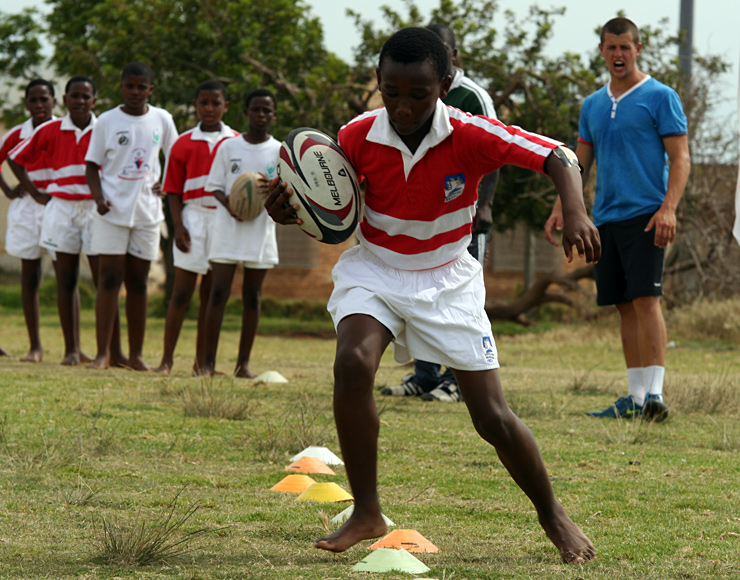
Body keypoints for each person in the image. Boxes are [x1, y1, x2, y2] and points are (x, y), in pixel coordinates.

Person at [266, 27, 599, 563]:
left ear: (444, 84)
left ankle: (552, 513)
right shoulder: (354, 136)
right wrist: (288, 208)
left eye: (418, 94)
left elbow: (558, 154)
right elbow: (325, 201)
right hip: (374, 269)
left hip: (447, 277)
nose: (402, 107)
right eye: (390, 92)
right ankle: (367, 510)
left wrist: (576, 210)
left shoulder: (470, 132)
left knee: (491, 417)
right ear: (378, 84)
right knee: (352, 361)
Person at [545, 17, 690, 422]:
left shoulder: (660, 96)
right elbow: (577, 165)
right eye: (611, 47)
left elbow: (681, 158)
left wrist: (669, 208)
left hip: (647, 215)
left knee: (646, 300)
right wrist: (562, 207)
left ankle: (656, 395)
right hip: (605, 217)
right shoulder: (592, 104)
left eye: (625, 47)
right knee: (623, 305)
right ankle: (635, 397)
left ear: (638, 49)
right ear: (602, 51)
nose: (618, 54)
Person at [382, 22, 500, 402]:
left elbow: (495, 150)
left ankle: (457, 377)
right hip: (419, 219)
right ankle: (426, 375)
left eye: (445, 51)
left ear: (454, 57)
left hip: (461, 217)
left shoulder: (471, 97)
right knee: (417, 293)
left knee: (460, 295)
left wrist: (486, 204)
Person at [9, 76, 127, 367]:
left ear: (94, 101)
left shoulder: (106, 128)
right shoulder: (51, 129)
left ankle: (111, 351)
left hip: (96, 208)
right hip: (61, 208)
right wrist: (35, 192)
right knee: (67, 278)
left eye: (86, 97)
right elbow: (16, 157)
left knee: (105, 280)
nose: (79, 101)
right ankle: (71, 350)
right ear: (64, 100)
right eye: (74, 96)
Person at [85, 62, 178, 370]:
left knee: (138, 282)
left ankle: (136, 356)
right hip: (110, 211)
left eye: (142, 87)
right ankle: (103, 354)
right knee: (109, 280)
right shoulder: (107, 121)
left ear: (151, 90)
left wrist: (166, 184)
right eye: (130, 86)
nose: (136, 92)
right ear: (121, 87)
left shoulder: (162, 118)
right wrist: (99, 199)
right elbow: (91, 166)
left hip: (147, 213)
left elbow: (175, 158)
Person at [154, 80, 239, 374]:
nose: (210, 109)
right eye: (203, 103)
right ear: (195, 106)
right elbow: (173, 190)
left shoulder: (236, 142)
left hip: (224, 221)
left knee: (212, 295)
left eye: (216, 103)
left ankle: (203, 363)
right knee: (181, 293)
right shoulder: (183, 143)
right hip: (192, 218)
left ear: (225, 107)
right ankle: (166, 360)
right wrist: (178, 226)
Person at [198, 88, 280, 378]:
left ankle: (242, 364)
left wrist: (272, 190)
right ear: (245, 113)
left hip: (260, 230)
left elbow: (285, 193)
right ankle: (207, 364)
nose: (260, 115)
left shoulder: (279, 151)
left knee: (252, 297)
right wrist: (232, 206)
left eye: (266, 110)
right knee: (217, 293)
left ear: (273, 115)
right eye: (255, 109)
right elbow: (216, 186)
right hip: (228, 228)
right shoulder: (228, 147)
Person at [0, 79, 56, 362]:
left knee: (65, 276)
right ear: (26, 104)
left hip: (58, 204)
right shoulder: (15, 134)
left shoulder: (63, 130)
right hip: (28, 208)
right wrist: (10, 190)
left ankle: (74, 347)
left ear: (54, 102)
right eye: (33, 101)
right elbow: (5, 159)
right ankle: (35, 346)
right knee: (29, 276)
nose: (39, 105)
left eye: (44, 100)